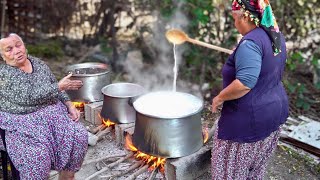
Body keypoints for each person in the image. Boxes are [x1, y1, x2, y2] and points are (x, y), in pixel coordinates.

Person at [211, 0, 289, 179]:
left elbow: (245, 83)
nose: (235, 23)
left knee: (228, 174)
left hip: (246, 122)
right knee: (253, 172)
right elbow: (267, 68)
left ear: (245, 16)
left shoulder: (250, 44)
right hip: (274, 114)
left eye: (235, 18)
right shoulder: (274, 35)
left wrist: (219, 98)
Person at [0, 33, 88, 180]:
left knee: (79, 136)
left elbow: (53, 83)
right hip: (23, 127)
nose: (16, 51)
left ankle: (67, 177)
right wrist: (59, 87)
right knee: (37, 156)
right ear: (3, 56)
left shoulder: (38, 64)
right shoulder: (4, 75)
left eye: (18, 45)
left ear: (24, 45)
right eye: (9, 49)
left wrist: (68, 104)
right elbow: (28, 97)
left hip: (54, 121)